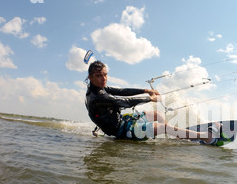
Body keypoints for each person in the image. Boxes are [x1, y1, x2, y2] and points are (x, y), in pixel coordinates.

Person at [85, 60, 219, 144]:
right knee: (163, 127)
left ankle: (176, 134)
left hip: (124, 121)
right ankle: (206, 137)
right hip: (124, 132)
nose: (104, 78)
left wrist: (145, 90)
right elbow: (123, 102)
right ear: (91, 78)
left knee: (158, 115)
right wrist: (150, 98)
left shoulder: (99, 87)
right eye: (99, 76)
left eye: (105, 74)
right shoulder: (97, 96)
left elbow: (122, 91)